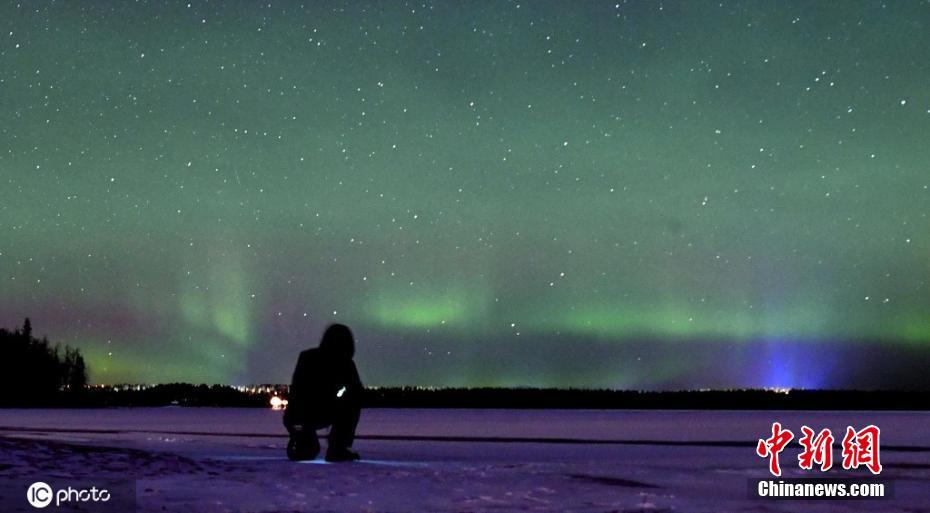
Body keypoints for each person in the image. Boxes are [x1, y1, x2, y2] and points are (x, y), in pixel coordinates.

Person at [283, 323, 363, 462]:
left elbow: (298, 390)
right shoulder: (344, 364)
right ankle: (336, 447)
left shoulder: (308, 357)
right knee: (308, 450)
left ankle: (332, 447)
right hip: (304, 415)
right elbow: (357, 392)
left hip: (303, 414)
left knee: (308, 450)